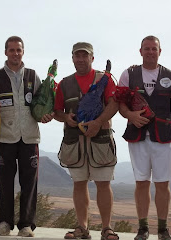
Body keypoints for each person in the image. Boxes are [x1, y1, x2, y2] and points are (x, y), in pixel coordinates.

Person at [0, 36, 53, 237]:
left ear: (23, 52)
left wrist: (45, 115)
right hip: (5, 137)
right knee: (5, 183)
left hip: (30, 138)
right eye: (11, 50)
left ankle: (26, 225)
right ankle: (4, 223)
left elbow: (41, 103)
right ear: (5, 52)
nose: (15, 53)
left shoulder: (33, 76)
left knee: (29, 183)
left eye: (18, 50)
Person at [118, 35, 171, 240]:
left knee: (163, 183)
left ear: (159, 51)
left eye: (153, 49)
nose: (150, 52)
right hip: (137, 136)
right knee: (141, 182)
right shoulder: (129, 74)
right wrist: (129, 115)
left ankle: (163, 229)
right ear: (140, 51)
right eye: (146, 49)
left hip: (163, 137)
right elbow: (119, 103)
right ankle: (143, 228)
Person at [54, 42, 119, 240]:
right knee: (79, 183)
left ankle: (107, 228)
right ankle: (81, 228)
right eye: (77, 56)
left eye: (85, 55)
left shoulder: (105, 79)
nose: (81, 59)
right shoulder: (64, 83)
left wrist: (98, 122)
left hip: (100, 140)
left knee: (103, 183)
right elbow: (57, 111)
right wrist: (66, 118)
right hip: (75, 142)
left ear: (92, 57)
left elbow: (114, 104)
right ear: (72, 58)